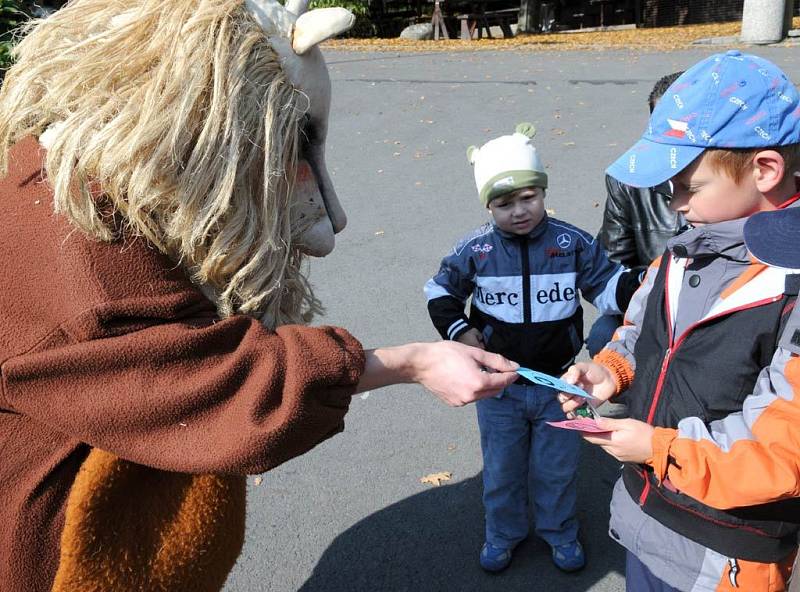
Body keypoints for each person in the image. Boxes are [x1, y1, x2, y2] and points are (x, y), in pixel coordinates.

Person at [0, 1, 520, 591]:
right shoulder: (79, 236)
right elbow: (206, 379)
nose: (333, 221)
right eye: (292, 146)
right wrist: (413, 362)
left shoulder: (68, 170)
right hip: (46, 553)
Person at [559, 50, 800, 591]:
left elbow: (782, 451)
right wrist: (610, 371)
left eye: (688, 185)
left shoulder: (792, 283)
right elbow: (637, 331)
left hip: (727, 554)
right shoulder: (685, 248)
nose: (674, 204)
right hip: (646, 520)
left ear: (764, 170)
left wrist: (657, 449)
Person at [425, 123, 635, 574]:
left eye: (529, 198)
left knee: (557, 469)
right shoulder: (476, 249)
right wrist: (460, 331)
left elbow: (609, 286)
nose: (519, 211)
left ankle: (560, 532)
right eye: (504, 203)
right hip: (499, 388)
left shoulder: (571, 242)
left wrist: (651, 283)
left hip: (562, 384)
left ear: (543, 192)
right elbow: (438, 290)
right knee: (501, 470)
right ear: (488, 204)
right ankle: (503, 533)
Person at [586, 71, 686, 358]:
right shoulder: (628, 179)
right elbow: (611, 267)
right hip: (652, 298)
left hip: (716, 301)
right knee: (603, 336)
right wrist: (653, 290)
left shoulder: (732, 175)